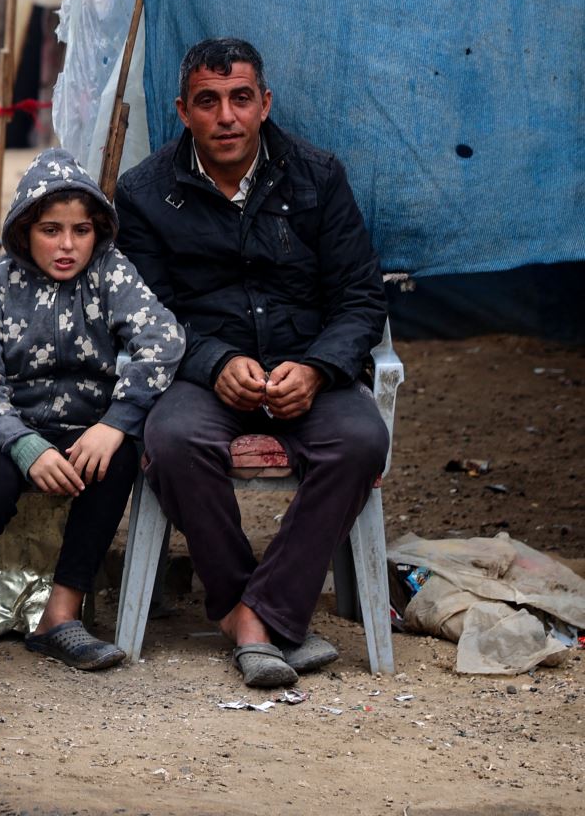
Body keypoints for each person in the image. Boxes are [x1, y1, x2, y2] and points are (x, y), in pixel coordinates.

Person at [116, 37, 389, 689]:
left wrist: (320, 368)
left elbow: (360, 296)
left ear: (264, 104)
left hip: (306, 371)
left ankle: (254, 616)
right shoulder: (145, 192)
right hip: (203, 375)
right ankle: (253, 615)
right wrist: (213, 363)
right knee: (174, 440)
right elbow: (147, 313)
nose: (227, 117)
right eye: (208, 102)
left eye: (241, 99)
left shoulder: (318, 175)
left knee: (360, 439)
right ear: (184, 111)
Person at [0, 149, 182, 669]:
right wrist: (23, 444)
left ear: (98, 230)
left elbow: (163, 341)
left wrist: (116, 424)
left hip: (88, 427)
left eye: (81, 230)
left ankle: (62, 614)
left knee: (114, 462)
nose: (68, 245)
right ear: (24, 230)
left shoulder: (111, 276)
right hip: (11, 430)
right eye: (51, 230)